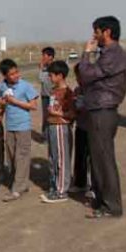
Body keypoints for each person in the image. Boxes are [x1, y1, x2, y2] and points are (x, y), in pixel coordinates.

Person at [78, 16, 126, 219]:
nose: (94, 36)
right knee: (99, 159)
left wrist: (86, 53)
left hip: (103, 111)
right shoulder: (111, 54)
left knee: (103, 160)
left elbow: (85, 75)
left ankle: (111, 206)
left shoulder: (113, 54)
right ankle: (102, 201)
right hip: (100, 110)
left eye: (97, 31)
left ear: (107, 32)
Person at [0, 58, 39, 202]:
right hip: (10, 126)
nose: (16, 75)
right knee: (11, 157)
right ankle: (21, 183)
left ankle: (17, 189)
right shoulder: (2, 86)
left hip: (23, 127)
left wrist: (15, 101)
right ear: (5, 75)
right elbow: (0, 102)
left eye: (16, 72)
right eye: (12, 74)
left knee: (22, 157)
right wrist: (2, 102)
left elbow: (33, 105)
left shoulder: (25, 86)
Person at [42, 60, 77, 204]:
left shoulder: (68, 93)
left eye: (51, 75)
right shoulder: (53, 90)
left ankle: (62, 190)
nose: (49, 78)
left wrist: (58, 114)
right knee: (53, 158)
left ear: (60, 75)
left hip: (61, 127)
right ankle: (55, 186)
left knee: (62, 159)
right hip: (52, 126)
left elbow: (72, 114)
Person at [70, 63, 91, 195]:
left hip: (93, 129)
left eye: (80, 76)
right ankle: (80, 183)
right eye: (77, 76)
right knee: (80, 156)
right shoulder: (77, 90)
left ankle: (94, 186)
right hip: (81, 127)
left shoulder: (95, 91)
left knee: (93, 159)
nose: (78, 79)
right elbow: (74, 109)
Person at [38, 47, 56, 140]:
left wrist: (41, 69)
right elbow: (40, 80)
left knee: (52, 115)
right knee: (45, 116)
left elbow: (42, 79)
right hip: (45, 96)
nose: (42, 58)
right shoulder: (44, 68)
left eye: (44, 55)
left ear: (50, 57)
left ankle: (52, 135)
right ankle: (45, 135)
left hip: (53, 96)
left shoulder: (54, 68)